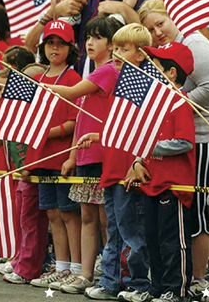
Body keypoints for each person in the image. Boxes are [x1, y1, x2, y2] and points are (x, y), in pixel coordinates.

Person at [137, 0, 209, 295]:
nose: (158, 31)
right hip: (173, 145)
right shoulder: (165, 59)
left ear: (172, 17)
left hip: (204, 135)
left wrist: (174, 104)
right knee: (172, 222)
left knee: (196, 209)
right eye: (150, 29)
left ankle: (195, 280)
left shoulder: (195, 45)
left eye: (160, 23)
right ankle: (170, 282)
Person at [42, 15, 123, 294]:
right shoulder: (95, 71)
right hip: (87, 155)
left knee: (105, 218)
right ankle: (86, 273)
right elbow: (81, 119)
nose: (90, 42)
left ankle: (109, 272)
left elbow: (73, 92)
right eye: (88, 36)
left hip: (104, 154)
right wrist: (74, 156)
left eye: (98, 37)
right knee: (89, 216)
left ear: (112, 45)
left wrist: (42, 86)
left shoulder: (109, 70)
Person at [78, 23, 152, 301]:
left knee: (131, 231)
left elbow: (140, 130)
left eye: (124, 49)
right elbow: (115, 126)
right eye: (117, 48)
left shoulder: (142, 85)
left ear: (141, 54)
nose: (117, 54)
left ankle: (138, 283)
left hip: (127, 169)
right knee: (114, 229)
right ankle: (111, 281)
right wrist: (97, 135)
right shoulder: (119, 81)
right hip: (110, 166)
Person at [120, 41, 195, 302]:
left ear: (172, 73)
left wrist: (150, 147)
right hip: (152, 182)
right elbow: (146, 138)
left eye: (157, 67)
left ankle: (177, 290)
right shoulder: (157, 104)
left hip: (173, 185)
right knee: (152, 238)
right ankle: (158, 288)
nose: (150, 71)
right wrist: (139, 159)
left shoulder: (180, 102)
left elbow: (184, 142)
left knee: (172, 242)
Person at [23, 20, 82, 288]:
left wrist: (50, 132)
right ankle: (60, 266)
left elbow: (75, 122)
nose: (54, 48)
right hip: (42, 158)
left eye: (60, 43)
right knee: (52, 214)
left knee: (69, 213)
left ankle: (76, 266)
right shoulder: (37, 79)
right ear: (42, 47)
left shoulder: (73, 79)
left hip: (63, 157)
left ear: (71, 48)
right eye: (50, 43)